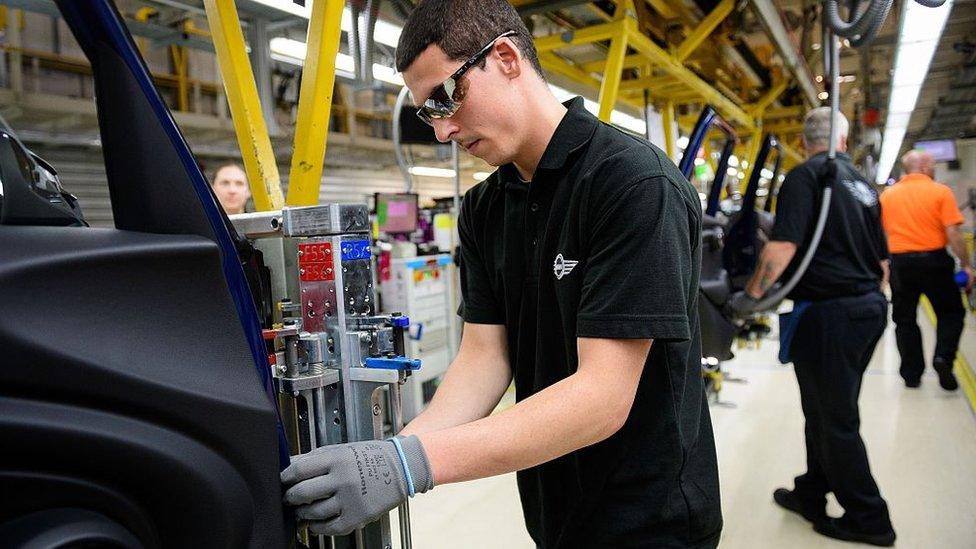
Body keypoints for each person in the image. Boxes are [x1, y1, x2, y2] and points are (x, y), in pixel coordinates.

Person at [279, 0, 723, 547]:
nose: (441, 131)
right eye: (427, 112)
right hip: (555, 510)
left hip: (651, 520)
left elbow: (602, 397)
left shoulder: (632, 184)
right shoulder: (484, 208)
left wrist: (413, 464)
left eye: (445, 97)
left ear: (507, 58)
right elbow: (486, 357)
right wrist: (389, 457)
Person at [742, 107, 895, 546]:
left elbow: (783, 247)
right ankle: (811, 491)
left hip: (831, 315)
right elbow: (883, 263)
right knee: (823, 411)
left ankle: (870, 518)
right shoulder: (863, 185)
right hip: (867, 308)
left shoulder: (807, 177)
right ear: (844, 141)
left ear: (806, 140)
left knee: (835, 420)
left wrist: (750, 297)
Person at [879, 149, 971, 391]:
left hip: (900, 264)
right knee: (951, 313)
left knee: (904, 319)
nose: (934, 168)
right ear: (923, 167)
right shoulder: (940, 192)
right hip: (935, 262)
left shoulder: (888, 196)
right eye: (931, 164)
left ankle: (911, 374)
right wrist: (967, 264)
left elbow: (879, 234)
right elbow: (953, 232)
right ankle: (943, 357)